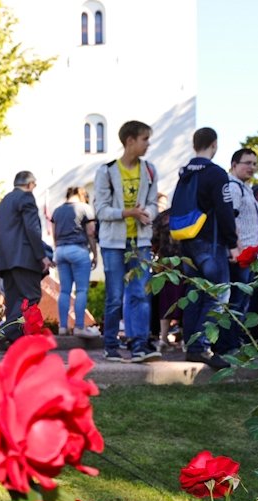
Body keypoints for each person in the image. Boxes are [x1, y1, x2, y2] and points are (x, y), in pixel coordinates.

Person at [94, 120, 160, 362]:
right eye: (145, 139)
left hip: (140, 241)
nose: (148, 144)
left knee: (140, 293)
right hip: (113, 243)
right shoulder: (106, 171)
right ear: (130, 141)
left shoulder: (149, 170)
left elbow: (153, 204)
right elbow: (101, 210)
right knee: (114, 295)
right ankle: (110, 344)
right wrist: (127, 213)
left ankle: (139, 344)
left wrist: (147, 213)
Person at [175, 127, 239, 369]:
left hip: (187, 240)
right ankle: (201, 347)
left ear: (194, 145)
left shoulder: (185, 173)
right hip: (210, 243)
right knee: (218, 294)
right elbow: (224, 210)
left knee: (194, 294)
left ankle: (191, 346)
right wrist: (232, 242)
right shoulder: (216, 173)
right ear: (214, 144)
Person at [216, 148, 258, 355]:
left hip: (249, 255)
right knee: (235, 301)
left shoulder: (245, 188)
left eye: (254, 163)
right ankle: (227, 345)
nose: (252, 167)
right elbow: (230, 218)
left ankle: (234, 342)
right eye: (247, 163)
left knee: (241, 302)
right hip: (240, 255)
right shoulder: (234, 188)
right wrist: (235, 247)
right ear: (234, 165)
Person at [0, 171, 51, 339]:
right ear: (29, 184)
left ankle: (13, 338)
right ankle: (9, 332)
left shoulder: (4, 201)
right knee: (31, 297)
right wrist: (42, 256)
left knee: (13, 301)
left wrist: (2, 255)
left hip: (6, 260)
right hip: (25, 259)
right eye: (34, 185)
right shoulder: (26, 198)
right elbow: (32, 229)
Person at [51, 187, 99, 337]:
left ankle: (63, 327)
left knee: (64, 290)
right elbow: (90, 232)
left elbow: (54, 234)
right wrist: (95, 254)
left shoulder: (57, 211)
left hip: (60, 251)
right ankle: (79, 327)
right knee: (81, 290)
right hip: (78, 250)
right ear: (81, 195)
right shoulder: (85, 208)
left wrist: (57, 250)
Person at [150, 193, 184, 352]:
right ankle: (184, 338)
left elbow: (153, 241)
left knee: (165, 301)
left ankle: (163, 338)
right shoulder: (189, 215)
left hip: (165, 265)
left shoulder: (162, 217)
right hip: (185, 264)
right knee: (185, 300)